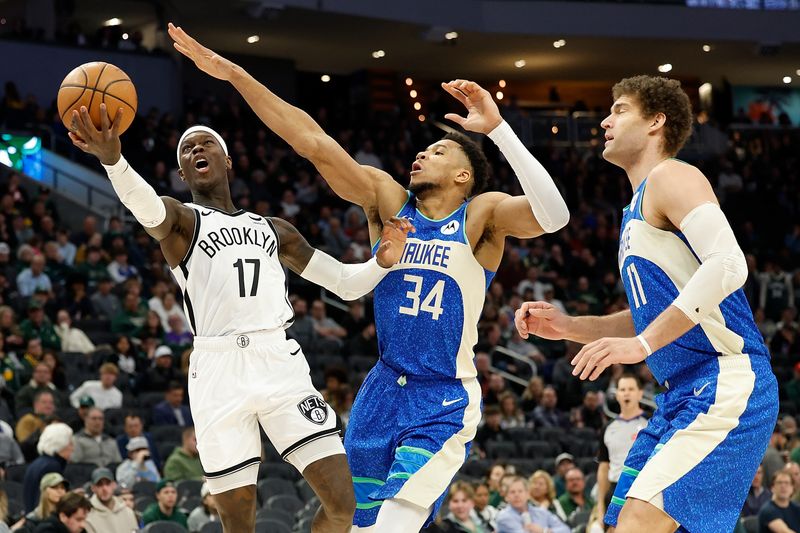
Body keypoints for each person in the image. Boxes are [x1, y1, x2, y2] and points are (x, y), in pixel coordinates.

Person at [170, 26, 568, 532]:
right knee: (352, 522)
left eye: (438, 152)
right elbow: (312, 142)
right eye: (422, 150)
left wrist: (498, 131)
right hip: (381, 389)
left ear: (465, 176)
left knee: (393, 526)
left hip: (442, 395)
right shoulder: (387, 200)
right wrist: (233, 75)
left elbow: (553, 217)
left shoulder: (481, 216)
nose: (421, 155)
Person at [69, 91, 412, 533]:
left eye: (204, 143)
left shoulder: (274, 229)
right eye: (187, 149)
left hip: (278, 363)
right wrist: (115, 162)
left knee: (345, 504)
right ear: (182, 172)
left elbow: (344, 285)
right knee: (238, 520)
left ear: (227, 160)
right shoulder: (181, 221)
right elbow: (145, 207)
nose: (196, 150)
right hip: (218, 370)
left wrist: (380, 262)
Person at [515, 75, 778, 533]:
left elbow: (730, 264)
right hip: (680, 394)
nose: (604, 119)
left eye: (619, 109)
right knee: (621, 526)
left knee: (639, 523)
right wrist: (570, 326)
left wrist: (641, 345)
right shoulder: (635, 210)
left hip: (725, 378)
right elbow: (650, 316)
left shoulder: (672, 176)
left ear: (656, 121)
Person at [596, 373, 648, 517]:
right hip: (614, 490)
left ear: (640, 394)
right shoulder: (608, 428)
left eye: (631, 389)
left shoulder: (651, 423)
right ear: (617, 395)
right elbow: (603, 467)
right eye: (622, 390)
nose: (626, 393)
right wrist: (600, 503)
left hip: (642, 491)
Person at [23, 423, 73, 513]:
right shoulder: (52, 466)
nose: (72, 448)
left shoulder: (37, 462)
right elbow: (52, 500)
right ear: (61, 444)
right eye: (70, 443)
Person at [495, 477, 570, 533]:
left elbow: (566, 530)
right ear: (506, 497)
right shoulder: (503, 517)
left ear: (528, 494)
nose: (516, 495)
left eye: (520, 491)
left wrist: (544, 531)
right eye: (512, 492)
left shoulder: (541, 512)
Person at [84, 467, 138, 533]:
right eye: (99, 484)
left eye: (107, 483)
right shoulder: (88, 515)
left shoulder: (128, 512)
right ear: (93, 488)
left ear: (114, 485)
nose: (104, 488)